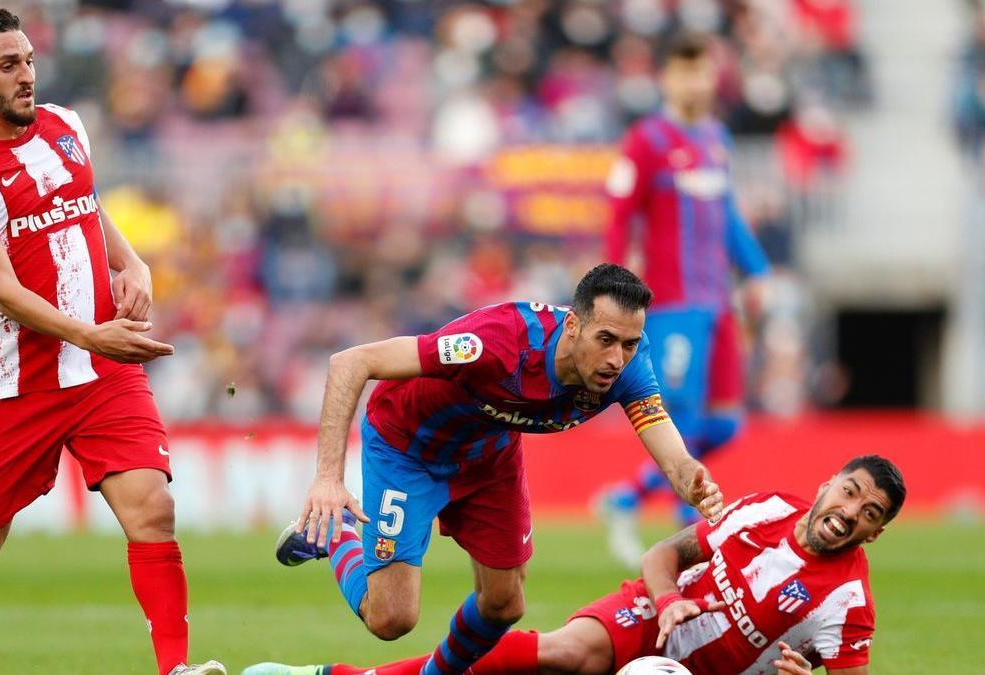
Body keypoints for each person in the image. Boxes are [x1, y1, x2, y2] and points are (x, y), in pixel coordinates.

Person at [0, 8, 223, 675]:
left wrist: (132, 263)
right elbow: (1, 290)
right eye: (9, 65)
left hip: (101, 369)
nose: (27, 75)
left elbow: (85, 202)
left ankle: (175, 669)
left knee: (153, 508)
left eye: (29, 59)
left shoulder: (65, 126)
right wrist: (92, 331)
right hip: (17, 383)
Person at [275, 264, 725, 675]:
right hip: (408, 449)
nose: (616, 358)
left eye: (628, 344)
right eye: (605, 340)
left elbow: (658, 427)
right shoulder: (499, 341)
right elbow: (351, 362)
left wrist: (688, 478)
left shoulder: (628, 364)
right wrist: (329, 480)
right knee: (391, 619)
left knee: (504, 605)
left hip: (489, 456)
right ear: (573, 325)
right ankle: (334, 535)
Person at [249, 454, 905, 675]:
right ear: (828, 484)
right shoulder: (765, 507)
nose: (852, 512)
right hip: (651, 617)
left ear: (875, 534)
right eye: (851, 492)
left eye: (871, 512)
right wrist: (669, 599)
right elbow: (664, 555)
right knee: (558, 652)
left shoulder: (848, 604)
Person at [602, 33, 773, 567]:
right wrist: (612, 289)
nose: (698, 81)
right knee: (688, 421)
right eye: (687, 71)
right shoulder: (646, 140)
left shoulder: (716, 137)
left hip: (718, 301)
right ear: (667, 77)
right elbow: (618, 215)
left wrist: (758, 271)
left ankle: (626, 497)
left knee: (725, 424)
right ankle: (690, 548)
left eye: (705, 72)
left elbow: (727, 216)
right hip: (672, 305)